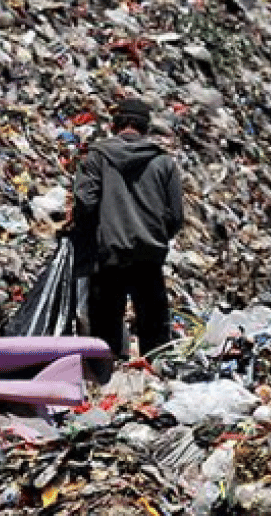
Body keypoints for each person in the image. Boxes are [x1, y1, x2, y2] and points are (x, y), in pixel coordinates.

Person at [72, 97, 185, 359]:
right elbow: (176, 216)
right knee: (154, 326)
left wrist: (97, 234)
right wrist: (154, 236)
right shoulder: (164, 162)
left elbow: (85, 203)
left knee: (105, 323)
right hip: (148, 255)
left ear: (116, 124)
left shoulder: (97, 157)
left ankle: (106, 379)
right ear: (146, 128)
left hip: (108, 255)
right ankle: (155, 380)